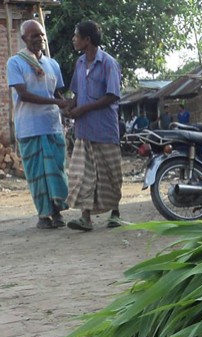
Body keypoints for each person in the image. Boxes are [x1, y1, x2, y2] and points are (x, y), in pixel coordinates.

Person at [6, 19, 70, 230]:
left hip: (52, 125)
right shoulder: (15, 62)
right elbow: (23, 94)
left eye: (41, 35)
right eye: (34, 35)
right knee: (37, 174)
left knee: (56, 170)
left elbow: (58, 92)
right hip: (29, 127)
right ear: (24, 39)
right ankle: (44, 215)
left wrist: (69, 107)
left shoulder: (53, 64)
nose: (39, 39)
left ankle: (57, 212)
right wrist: (56, 102)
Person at [63, 20, 123, 231]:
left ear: (87, 40)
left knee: (110, 174)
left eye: (76, 35)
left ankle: (115, 213)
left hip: (105, 129)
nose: (73, 39)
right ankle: (85, 218)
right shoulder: (80, 63)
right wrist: (69, 107)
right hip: (84, 131)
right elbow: (76, 94)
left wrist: (83, 109)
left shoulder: (108, 63)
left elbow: (111, 95)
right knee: (82, 175)